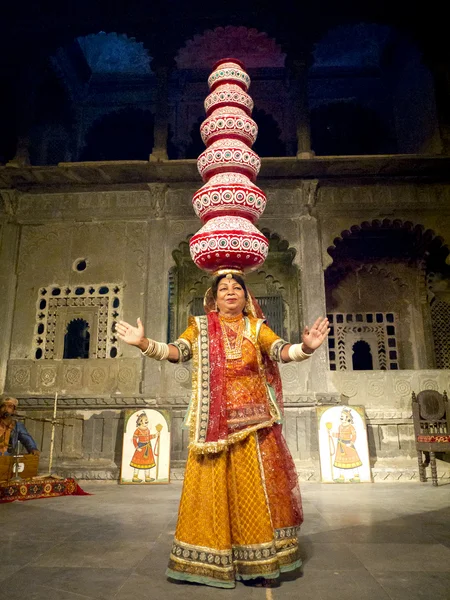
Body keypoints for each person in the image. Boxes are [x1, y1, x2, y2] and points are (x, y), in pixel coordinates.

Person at [116, 272, 329, 588]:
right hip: (211, 424)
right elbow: (178, 351)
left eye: (237, 288)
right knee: (209, 490)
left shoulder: (256, 328)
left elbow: (281, 351)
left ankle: (258, 564)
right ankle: (206, 563)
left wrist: (307, 348)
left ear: (246, 298)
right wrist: (144, 344)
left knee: (254, 493)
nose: (230, 292)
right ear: (213, 299)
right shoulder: (200, 327)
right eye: (224, 289)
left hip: (254, 425)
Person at [130, 411, 157, 483]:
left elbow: (148, 437)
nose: (147, 422)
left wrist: (155, 435)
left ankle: (147, 477)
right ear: (140, 421)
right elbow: (134, 439)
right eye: (145, 420)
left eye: (147, 420)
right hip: (140, 448)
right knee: (137, 463)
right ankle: (135, 477)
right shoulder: (138, 430)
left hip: (148, 447)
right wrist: (136, 447)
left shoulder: (147, 429)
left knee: (147, 463)